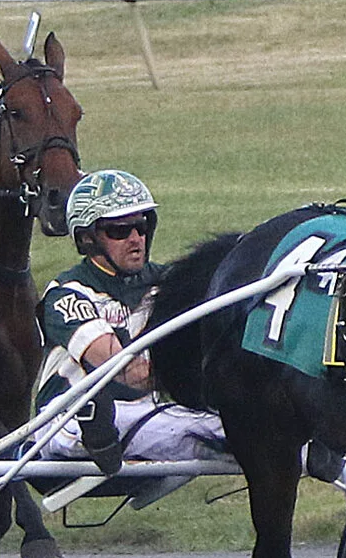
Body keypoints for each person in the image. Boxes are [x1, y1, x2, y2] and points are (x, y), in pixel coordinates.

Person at [35, 169, 227, 472]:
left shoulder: (166, 282)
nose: (136, 239)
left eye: (141, 226)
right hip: (64, 417)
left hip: (152, 410)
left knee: (243, 419)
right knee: (219, 433)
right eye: (120, 231)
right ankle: (97, 430)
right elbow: (125, 371)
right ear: (87, 238)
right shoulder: (67, 294)